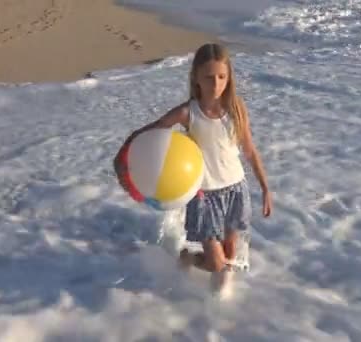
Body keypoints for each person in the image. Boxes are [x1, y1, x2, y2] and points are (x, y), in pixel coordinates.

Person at [114, 43, 272, 295]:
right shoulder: (188, 113)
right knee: (220, 265)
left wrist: (264, 187)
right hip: (204, 195)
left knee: (229, 257)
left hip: (236, 190)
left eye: (222, 77)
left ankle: (201, 276)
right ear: (196, 78)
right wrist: (124, 157)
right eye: (209, 77)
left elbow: (250, 150)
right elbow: (150, 131)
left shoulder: (236, 109)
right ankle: (199, 279)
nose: (216, 84)